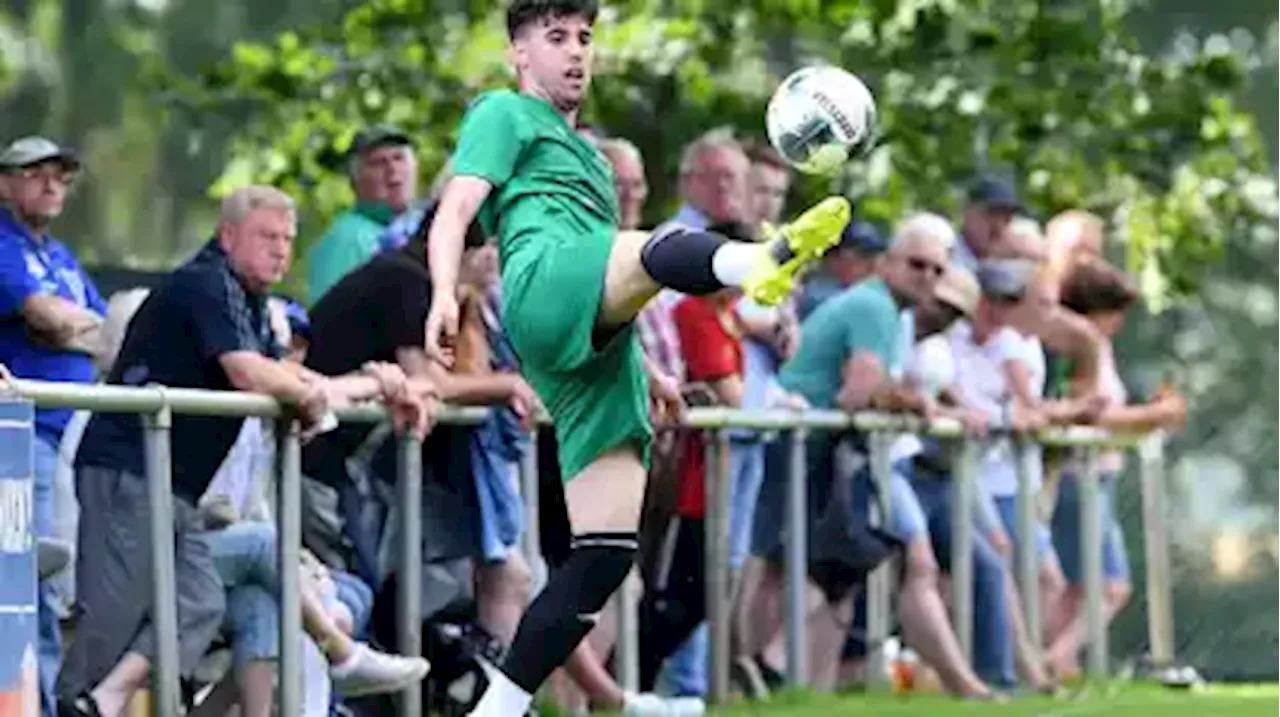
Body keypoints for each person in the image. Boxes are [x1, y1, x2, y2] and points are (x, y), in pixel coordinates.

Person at [421, 2, 850, 713]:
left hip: (595, 332)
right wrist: (442, 291)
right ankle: (760, 258)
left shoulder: (588, 154)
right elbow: (455, 210)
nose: (576, 51)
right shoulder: (501, 112)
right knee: (651, 245)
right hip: (544, 279)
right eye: (555, 37)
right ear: (518, 54)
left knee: (607, 551)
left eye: (585, 37)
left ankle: (497, 707)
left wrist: (647, 368)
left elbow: (623, 273)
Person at [58, 186, 435, 717]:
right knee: (112, 623)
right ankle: (69, 704)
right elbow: (250, 373)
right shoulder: (206, 283)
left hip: (175, 487)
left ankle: (103, 700)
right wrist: (312, 395)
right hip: (129, 472)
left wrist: (375, 384)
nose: (280, 250)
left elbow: (289, 376)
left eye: (287, 239)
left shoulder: (248, 299)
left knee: (198, 601)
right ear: (228, 235)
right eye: (267, 237)